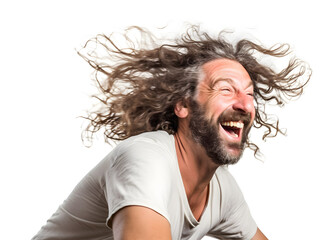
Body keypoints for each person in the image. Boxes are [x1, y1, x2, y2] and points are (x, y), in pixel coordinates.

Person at [32, 26, 310, 240]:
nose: (244, 104)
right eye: (226, 89)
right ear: (184, 105)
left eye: (249, 94)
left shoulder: (223, 191)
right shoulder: (144, 158)